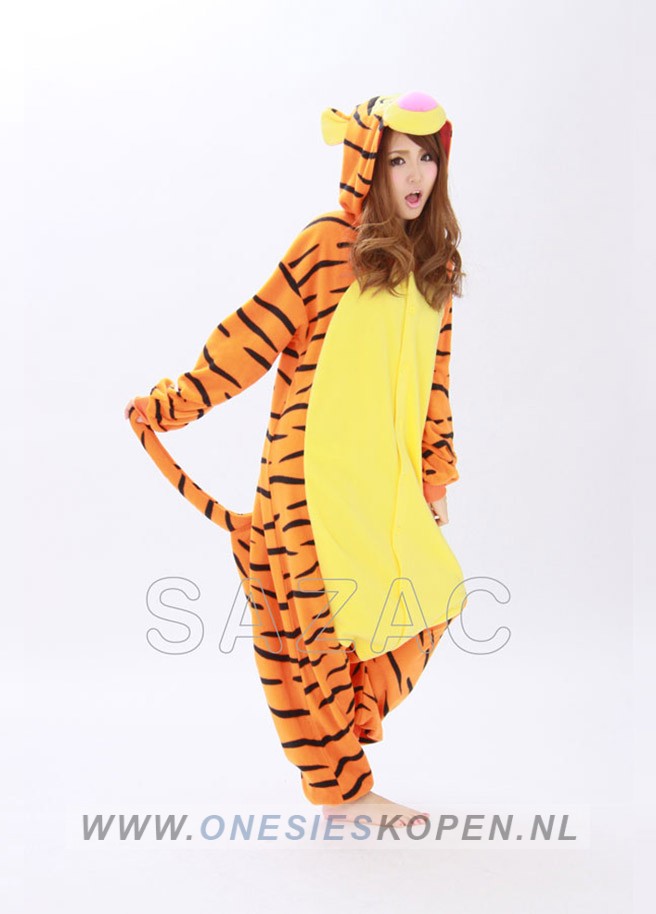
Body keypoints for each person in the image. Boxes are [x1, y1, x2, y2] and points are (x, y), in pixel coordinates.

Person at [124, 91, 467, 829]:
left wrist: (434, 476)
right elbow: (249, 337)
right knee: (312, 640)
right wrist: (175, 403)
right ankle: (343, 788)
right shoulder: (327, 246)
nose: (414, 176)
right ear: (366, 165)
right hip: (308, 483)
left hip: (385, 486)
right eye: (396, 160)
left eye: (426, 159)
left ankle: (347, 731)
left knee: (435, 598)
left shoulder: (435, 266)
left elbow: (435, 384)